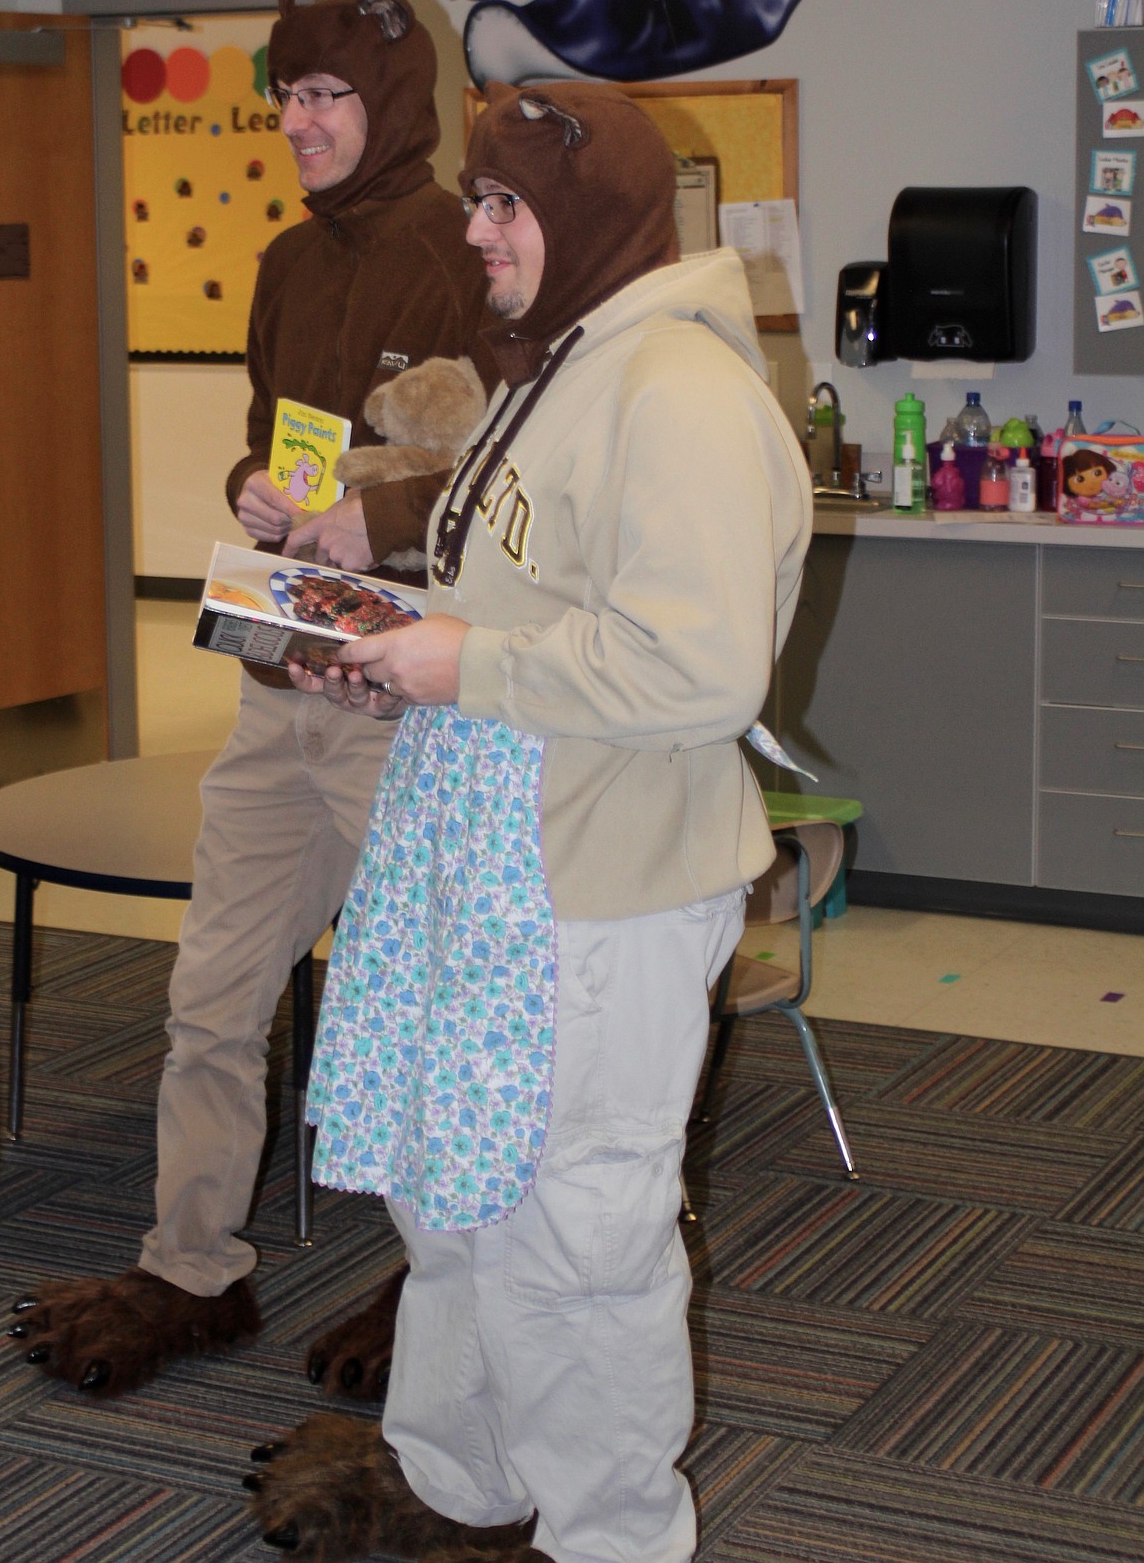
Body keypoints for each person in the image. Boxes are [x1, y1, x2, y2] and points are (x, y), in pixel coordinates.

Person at [246, 81, 812, 1563]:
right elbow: (525, 610)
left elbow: (694, 670)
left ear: (586, 217)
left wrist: (464, 663)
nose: (478, 232)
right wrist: (401, 659)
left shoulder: (675, 393)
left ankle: (610, 1537)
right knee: (457, 1204)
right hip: (488, 858)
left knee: (576, 1243)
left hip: (599, 890)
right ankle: (462, 1486)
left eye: (507, 207)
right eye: (478, 201)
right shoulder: (554, 371)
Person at [10, 0, 495, 1398]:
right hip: (282, 672)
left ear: (394, 105)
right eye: (287, 95)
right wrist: (250, 490)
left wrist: (384, 516)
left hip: (401, 698)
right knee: (212, 995)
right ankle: (190, 1266)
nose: (301, 122)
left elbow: (514, 481)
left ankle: (447, 1294)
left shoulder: (467, 250)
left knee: (418, 1017)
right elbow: (268, 443)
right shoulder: (288, 262)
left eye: (330, 95)